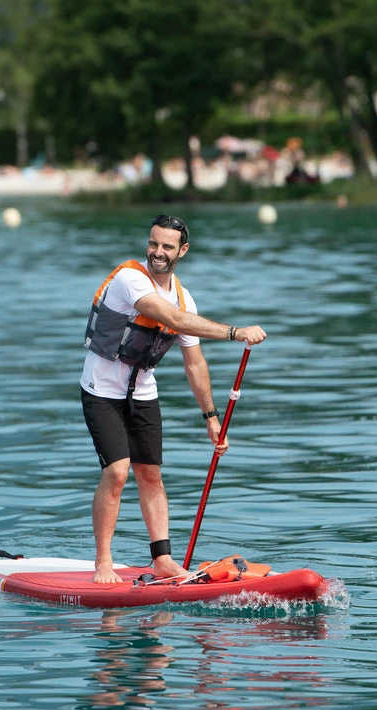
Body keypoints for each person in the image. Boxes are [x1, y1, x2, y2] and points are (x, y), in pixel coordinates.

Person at [81, 214, 267, 584]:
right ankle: (103, 562)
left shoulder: (185, 298)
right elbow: (172, 319)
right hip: (101, 390)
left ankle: (163, 560)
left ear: (182, 251)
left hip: (143, 392)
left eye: (167, 246)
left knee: (150, 473)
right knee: (117, 473)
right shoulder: (130, 279)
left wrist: (211, 417)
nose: (158, 252)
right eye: (153, 243)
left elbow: (194, 362)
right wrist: (235, 332)